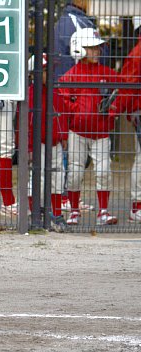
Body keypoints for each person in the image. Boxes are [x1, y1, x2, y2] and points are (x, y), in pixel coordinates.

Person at [58, 27, 120, 226]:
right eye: (92, 48)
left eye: (97, 48)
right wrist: (75, 112)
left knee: (104, 171)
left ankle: (103, 212)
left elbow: (122, 92)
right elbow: (63, 104)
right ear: (80, 49)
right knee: (75, 173)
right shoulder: (70, 76)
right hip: (77, 133)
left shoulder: (107, 73)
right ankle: (74, 211)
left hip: (101, 132)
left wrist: (113, 111)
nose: (97, 51)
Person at [25, 52, 69, 231]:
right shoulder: (31, 95)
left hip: (55, 143)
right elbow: (26, 124)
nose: (49, 74)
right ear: (34, 74)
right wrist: (28, 147)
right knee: (38, 178)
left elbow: (62, 115)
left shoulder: (55, 91)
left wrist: (64, 135)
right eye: (45, 71)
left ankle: (56, 214)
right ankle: (35, 213)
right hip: (38, 145)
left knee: (58, 177)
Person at [109, 18, 141, 223]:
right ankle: (137, 205)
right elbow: (128, 87)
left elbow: (127, 86)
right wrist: (117, 109)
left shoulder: (136, 53)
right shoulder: (137, 54)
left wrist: (117, 110)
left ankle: (138, 205)